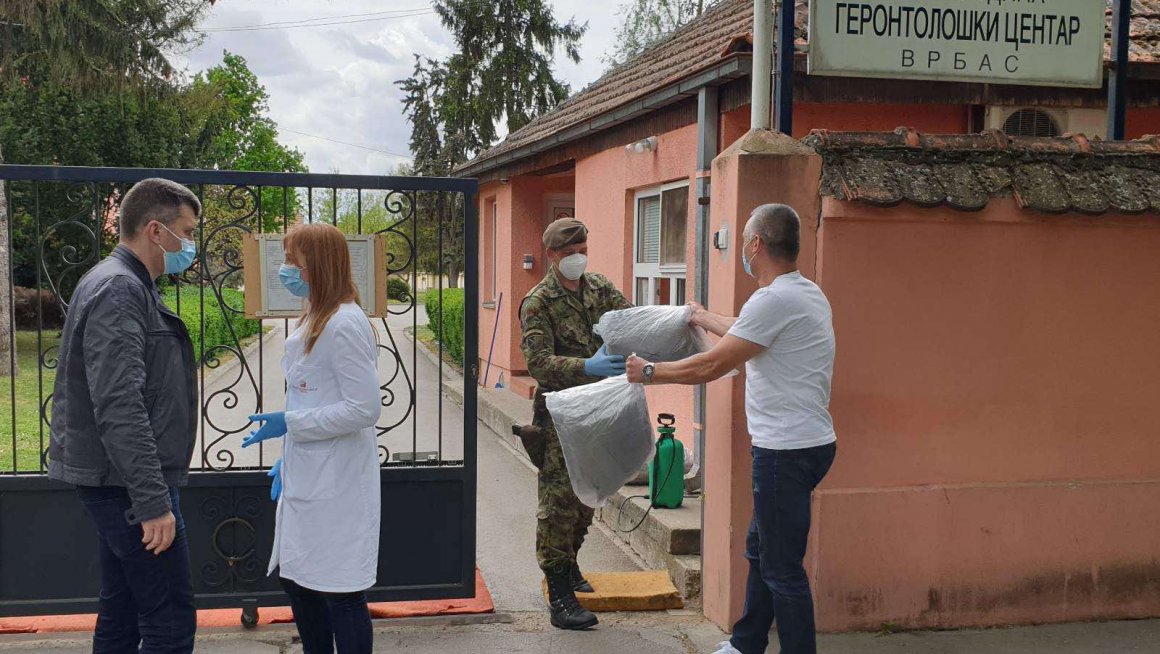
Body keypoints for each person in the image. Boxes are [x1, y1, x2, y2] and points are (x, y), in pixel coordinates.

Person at [626, 204, 837, 654]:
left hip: (785, 452)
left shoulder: (773, 299)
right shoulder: (804, 292)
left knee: (782, 569)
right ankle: (746, 643)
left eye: (744, 239)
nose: (741, 247)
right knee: (761, 549)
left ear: (757, 244)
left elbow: (714, 362)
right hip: (808, 445)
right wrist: (700, 317)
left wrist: (650, 372)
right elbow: (743, 331)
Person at [48, 178, 201, 653]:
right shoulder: (120, 288)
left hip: (122, 482)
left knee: (124, 608)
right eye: (187, 231)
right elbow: (119, 404)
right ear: (156, 231)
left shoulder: (127, 283)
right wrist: (153, 501)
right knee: (169, 620)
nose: (191, 244)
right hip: (129, 488)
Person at [242, 222, 381, 654]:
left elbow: (364, 408)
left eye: (291, 260)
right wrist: (291, 455)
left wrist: (292, 423)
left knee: (341, 593)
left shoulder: (344, 324)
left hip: (337, 481)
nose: (284, 268)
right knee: (298, 581)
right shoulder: (315, 317)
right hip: (311, 471)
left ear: (316, 264)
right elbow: (318, 394)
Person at [519, 217, 632, 630]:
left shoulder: (600, 288)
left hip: (599, 413)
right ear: (551, 256)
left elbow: (630, 321)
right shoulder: (538, 301)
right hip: (560, 418)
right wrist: (588, 364)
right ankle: (559, 595)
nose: (577, 259)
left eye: (581, 250)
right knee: (557, 506)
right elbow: (538, 363)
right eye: (568, 254)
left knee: (587, 498)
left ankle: (572, 566)